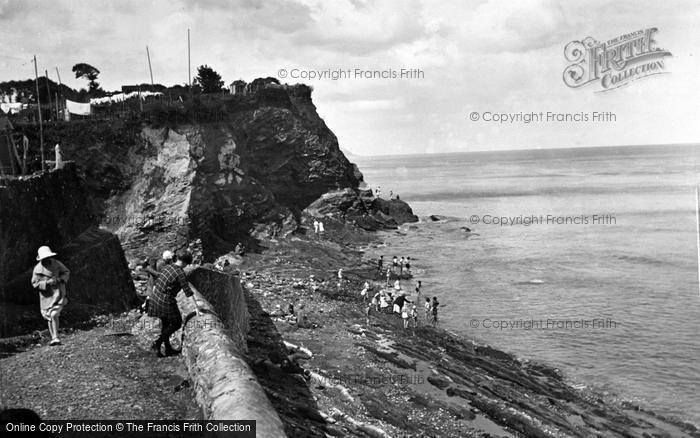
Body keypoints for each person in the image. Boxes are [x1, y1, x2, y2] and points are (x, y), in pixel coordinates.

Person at [147, 252, 200, 357]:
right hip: (165, 299)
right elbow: (188, 291)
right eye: (187, 264)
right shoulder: (180, 273)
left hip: (155, 296)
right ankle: (157, 343)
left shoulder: (167, 267)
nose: (187, 266)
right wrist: (197, 307)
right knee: (176, 323)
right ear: (185, 262)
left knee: (165, 323)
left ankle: (167, 349)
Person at [31, 246, 70, 346]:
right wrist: (47, 283)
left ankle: (56, 337)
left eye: (48, 257)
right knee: (49, 316)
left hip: (58, 294)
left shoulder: (56, 263)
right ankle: (54, 338)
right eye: (44, 258)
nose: (47, 259)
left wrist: (60, 279)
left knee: (53, 315)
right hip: (46, 297)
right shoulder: (37, 269)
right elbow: (35, 283)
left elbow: (66, 272)